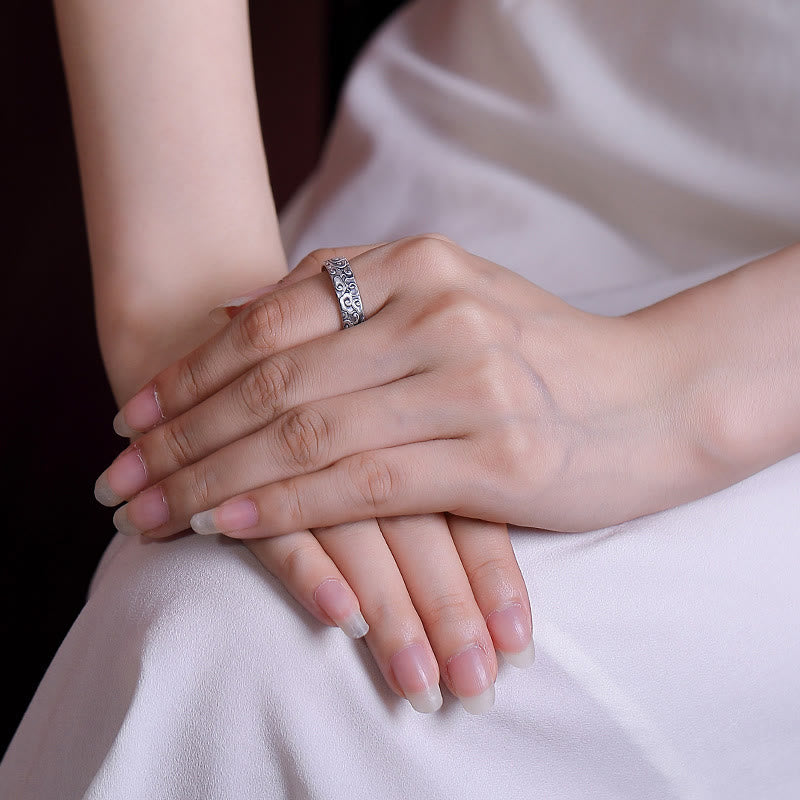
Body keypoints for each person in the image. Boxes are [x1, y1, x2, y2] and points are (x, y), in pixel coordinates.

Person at [2, 0, 799, 797]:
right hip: (460, 169)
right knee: (215, 620)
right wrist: (193, 290)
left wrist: (671, 389)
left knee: (293, 678)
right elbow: (202, 290)